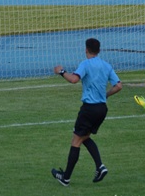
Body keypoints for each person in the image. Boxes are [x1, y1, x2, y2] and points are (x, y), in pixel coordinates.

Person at [51, 38, 123, 187]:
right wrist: (106, 95)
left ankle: (66, 178)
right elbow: (119, 86)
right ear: (99, 50)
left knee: (76, 140)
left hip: (89, 108)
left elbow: (73, 80)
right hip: (102, 109)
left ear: (86, 50)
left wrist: (61, 71)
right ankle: (100, 167)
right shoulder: (106, 65)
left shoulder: (85, 64)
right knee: (84, 137)